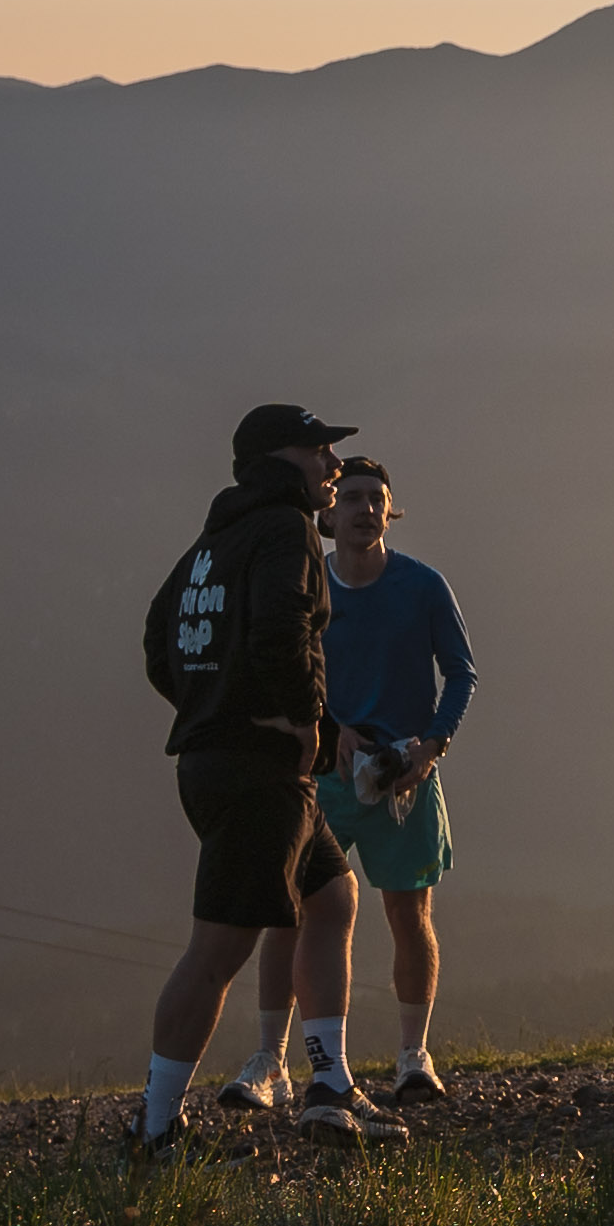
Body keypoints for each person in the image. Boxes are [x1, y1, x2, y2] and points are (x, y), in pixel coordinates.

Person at [133, 402, 402, 1152]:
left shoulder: (217, 535)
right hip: (259, 770)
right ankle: (153, 1127)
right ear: (286, 456)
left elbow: (160, 636)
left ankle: (329, 1084)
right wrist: (299, 716)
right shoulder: (282, 528)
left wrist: (207, 700)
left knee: (332, 897)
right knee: (217, 950)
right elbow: (283, 624)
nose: (334, 466)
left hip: (228, 760)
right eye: (323, 451)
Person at [225, 456, 480, 1109]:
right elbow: (284, 667)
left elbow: (461, 673)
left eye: (377, 498)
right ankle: (270, 1061)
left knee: (408, 913)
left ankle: (412, 1058)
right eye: (354, 497)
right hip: (324, 778)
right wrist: (331, 725)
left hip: (406, 777)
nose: (365, 508)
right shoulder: (310, 589)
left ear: (389, 512)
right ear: (329, 515)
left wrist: (431, 746)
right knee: (293, 915)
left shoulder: (423, 585)